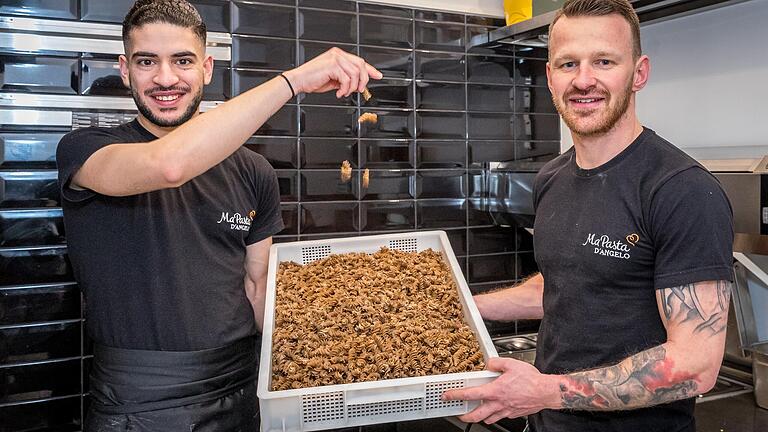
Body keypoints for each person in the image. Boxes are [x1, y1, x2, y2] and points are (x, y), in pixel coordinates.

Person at [55, 0, 381, 430]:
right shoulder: (85, 149)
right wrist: (294, 80)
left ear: (207, 68)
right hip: (139, 397)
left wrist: (341, 353)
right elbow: (169, 165)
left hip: (242, 387)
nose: (165, 78)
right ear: (125, 69)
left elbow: (257, 284)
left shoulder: (253, 171)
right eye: (147, 61)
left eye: (183, 60)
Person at [443, 1, 734, 431]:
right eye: (567, 64)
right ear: (549, 76)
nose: (583, 80)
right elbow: (568, 281)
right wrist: (462, 307)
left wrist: (544, 390)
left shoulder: (682, 190)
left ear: (639, 73)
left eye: (604, 61)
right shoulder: (553, 177)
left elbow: (695, 366)